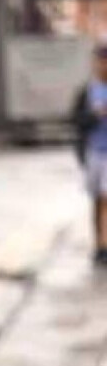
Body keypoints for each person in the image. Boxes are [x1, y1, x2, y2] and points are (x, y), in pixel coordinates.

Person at [71, 41, 107, 265]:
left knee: (106, 198)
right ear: (94, 63)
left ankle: (105, 245)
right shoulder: (86, 91)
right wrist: (95, 115)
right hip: (94, 152)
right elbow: (76, 121)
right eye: (101, 61)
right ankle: (98, 244)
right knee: (96, 200)